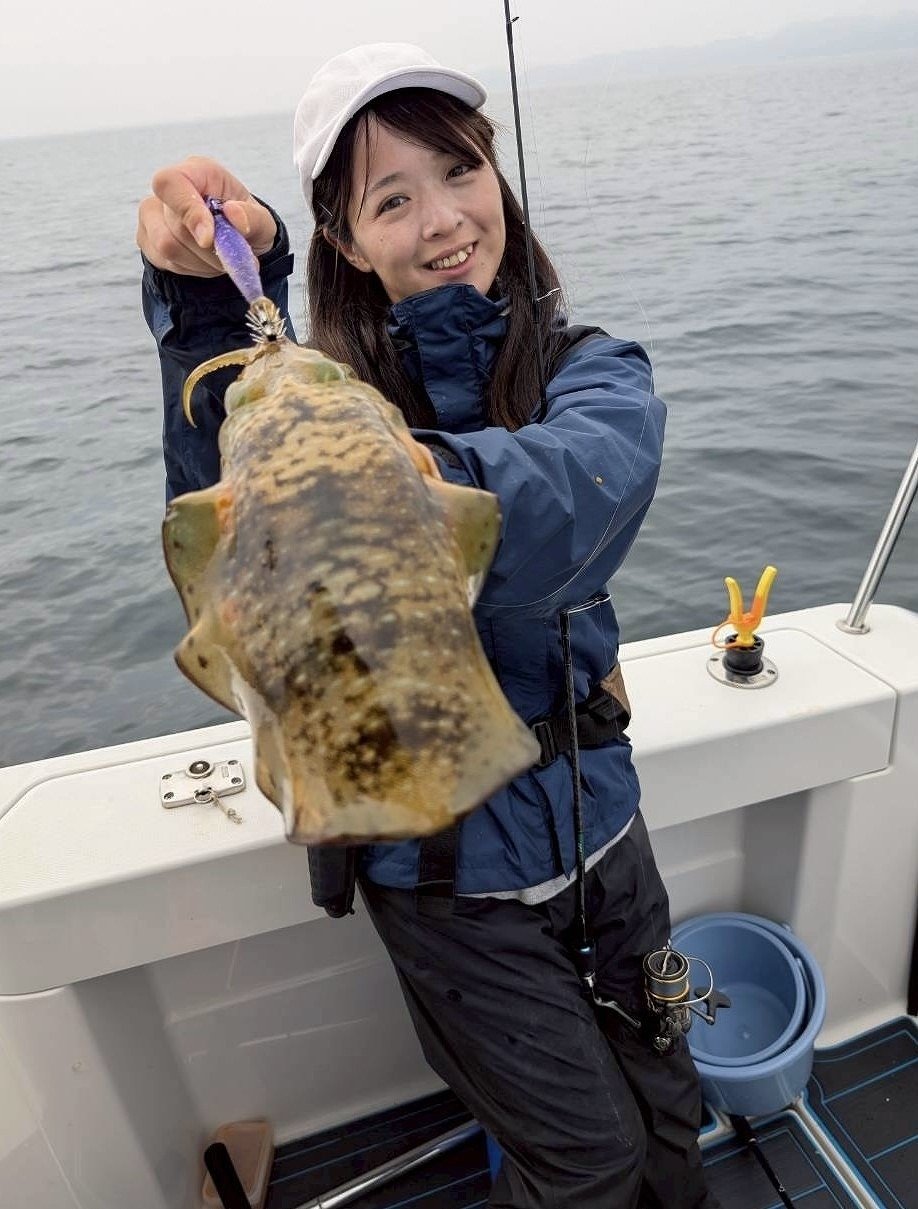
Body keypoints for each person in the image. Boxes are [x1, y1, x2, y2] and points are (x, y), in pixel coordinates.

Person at [138, 42, 720, 1209]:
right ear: (347, 240)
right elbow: (225, 516)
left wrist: (393, 480)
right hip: (443, 885)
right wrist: (207, 303)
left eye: (460, 172)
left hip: (606, 830)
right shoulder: (315, 390)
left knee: (670, 1105)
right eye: (392, 199)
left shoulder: (588, 370)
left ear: (496, 177)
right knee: (587, 1165)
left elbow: (587, 486)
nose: (444, 218)